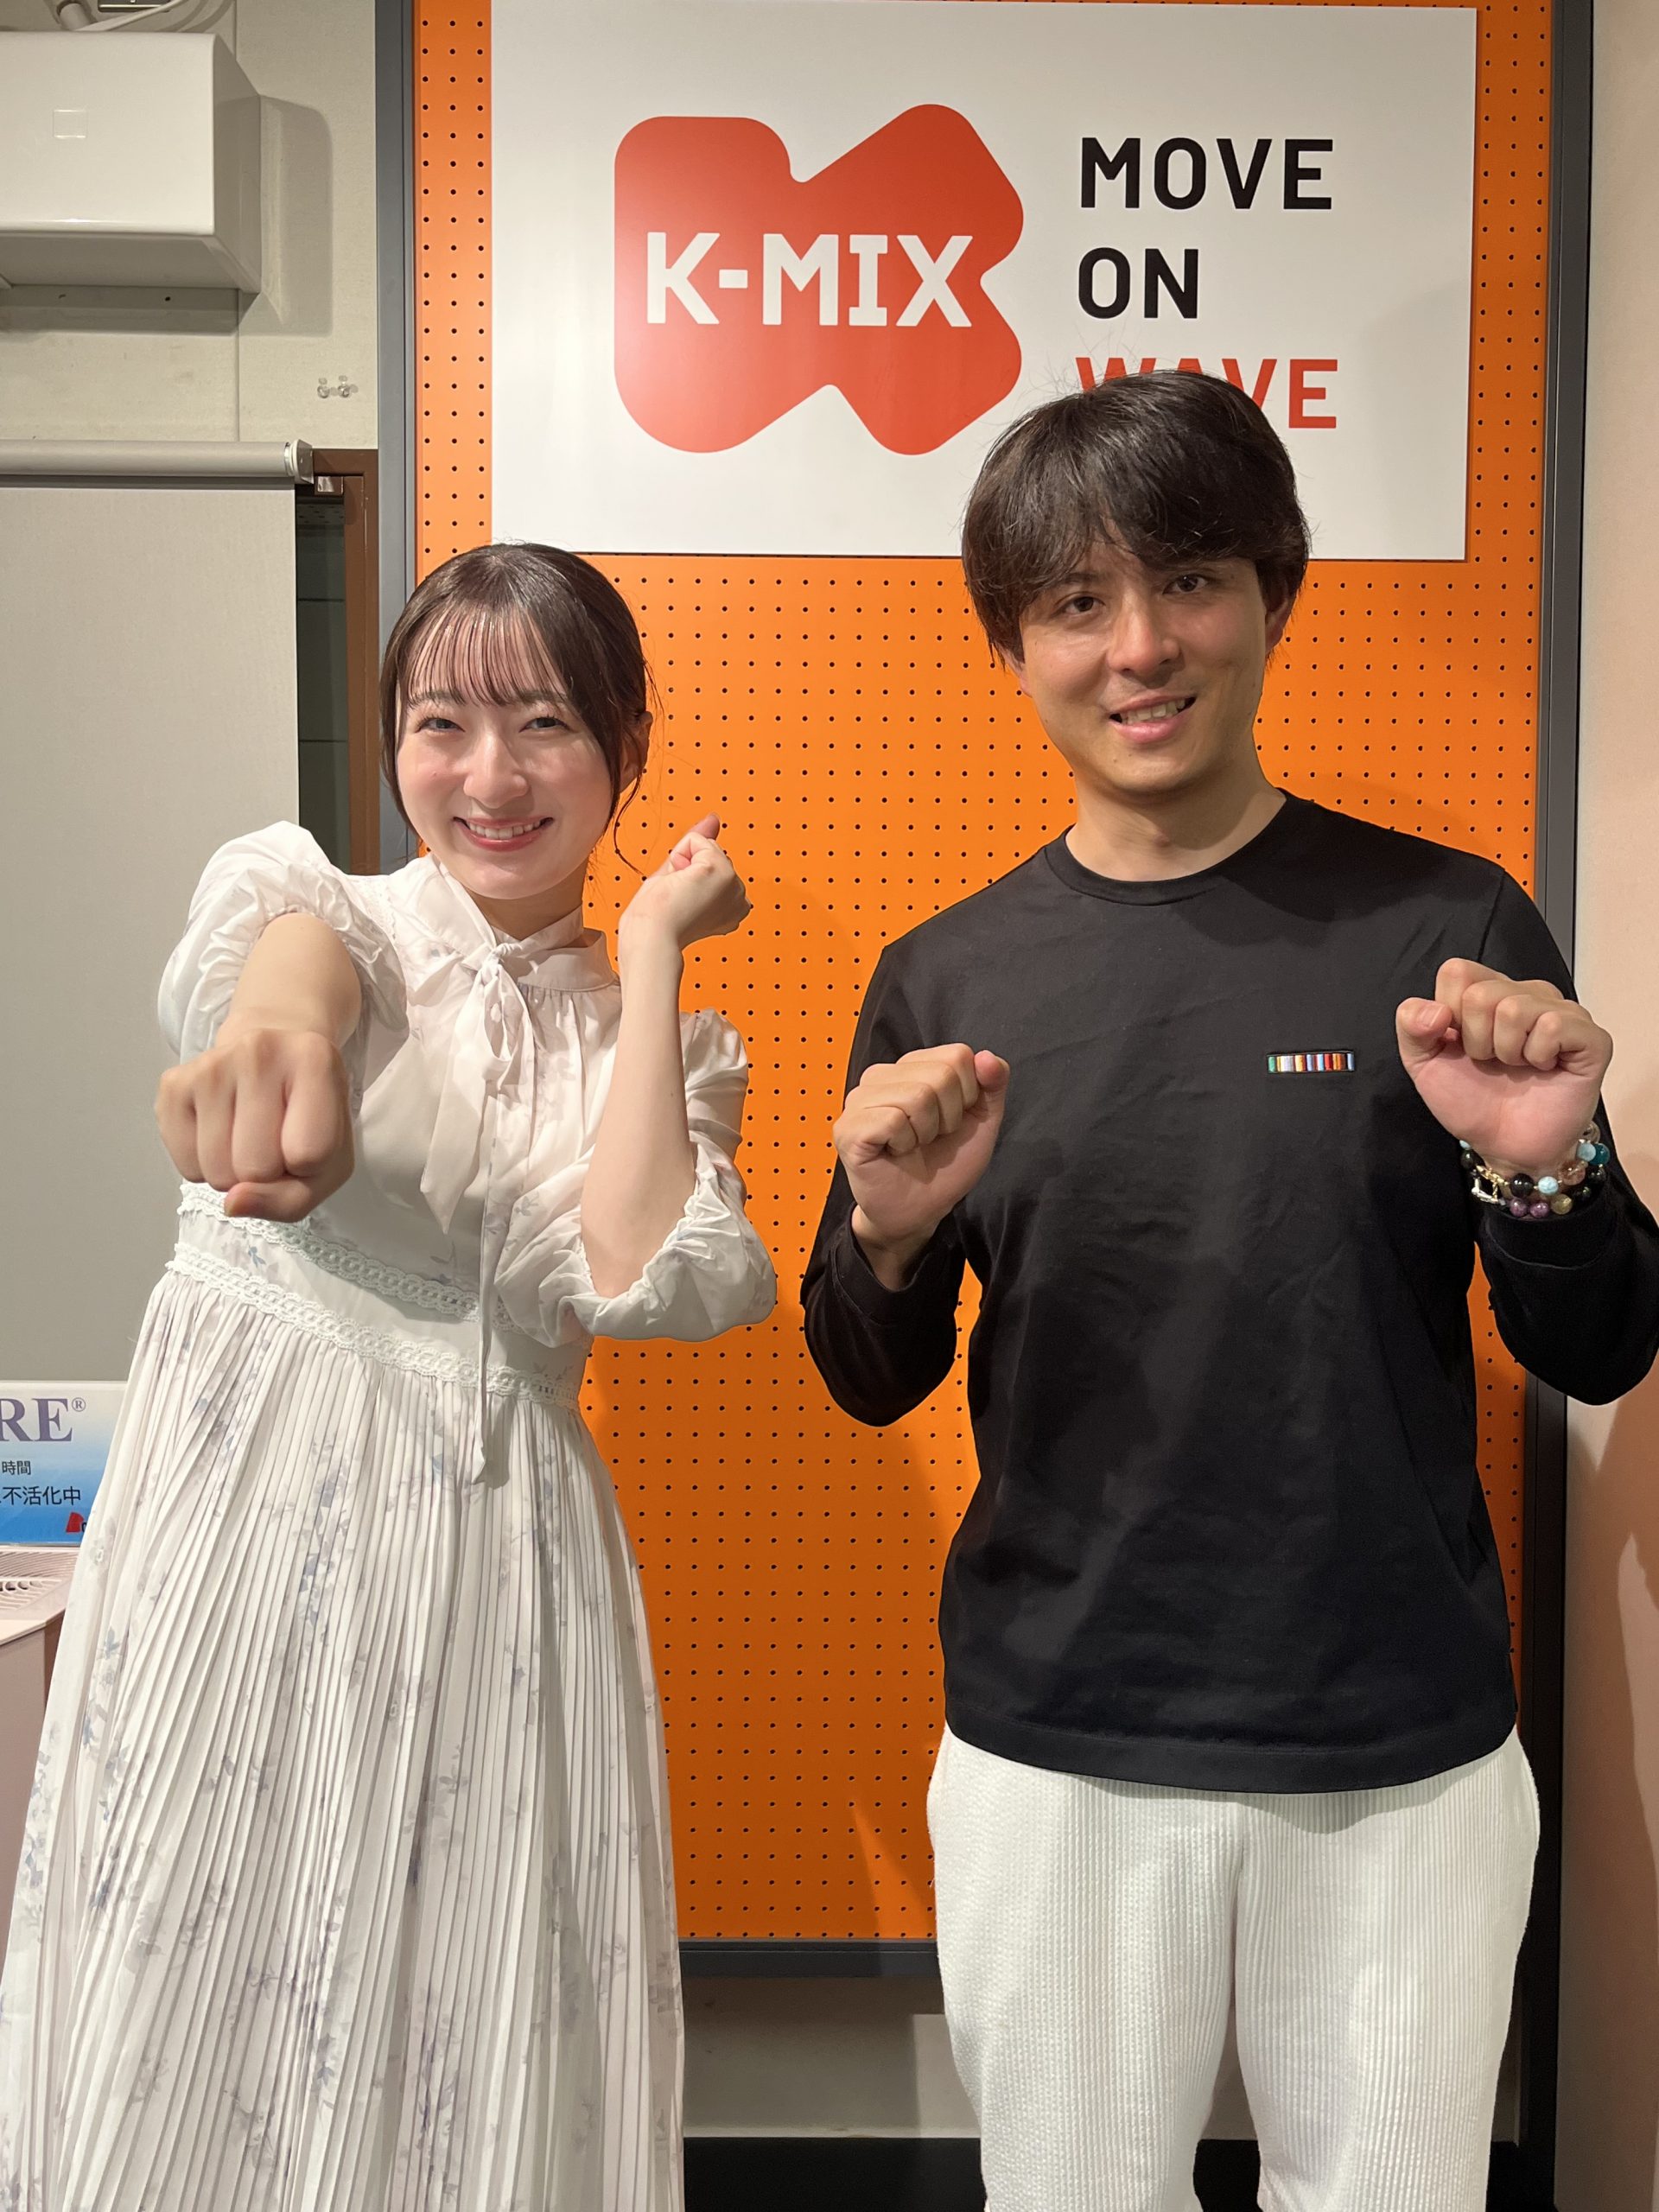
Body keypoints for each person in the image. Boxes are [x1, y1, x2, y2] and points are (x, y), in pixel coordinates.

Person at [801, 372, 1659, 2212]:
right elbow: (865, 1373)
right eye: (1076, 603)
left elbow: (1601, 1341)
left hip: (1398, 1743)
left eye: (1187, 579)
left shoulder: (1447, 928)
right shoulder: (948, 973)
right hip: (1058, 1740)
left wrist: (1541, 1163)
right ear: (1013, 646)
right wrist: (884, 1236)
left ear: (1274, 591)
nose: (1140, 647)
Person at [0, 543, 776, 2211]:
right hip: (248, 1522)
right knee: (197, 1949)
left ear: (625, 749)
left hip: (501, 1552)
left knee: (474, 1996)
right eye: (442, 724)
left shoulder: (669, 1047)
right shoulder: (322, 916)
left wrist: (653, 948)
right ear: (393, 742)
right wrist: (270, 1050)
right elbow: (288, 995)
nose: (489, 776)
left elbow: (636, 1269)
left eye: (544, 724)